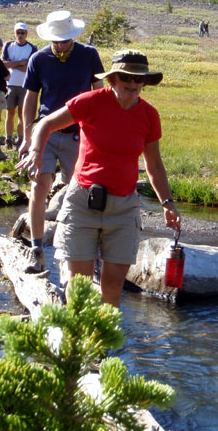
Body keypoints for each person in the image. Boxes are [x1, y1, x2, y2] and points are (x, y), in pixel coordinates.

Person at [16, 50, 181, 307]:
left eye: (140, 78)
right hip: (83, 203)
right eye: (127, 76)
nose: (134, 83)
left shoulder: (149, 116)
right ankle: (75, 342)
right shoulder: (91, 101)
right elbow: (45, 123)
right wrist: (36, 151)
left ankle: (104, 346)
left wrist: (167, 204)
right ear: (112, 79)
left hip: (124, 208)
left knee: (113, 290)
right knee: (78, 286)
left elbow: (154, 164)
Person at [19, 10, 104, 269]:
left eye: (65, 40)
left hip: (78, 135)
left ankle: (88, 253)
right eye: (57, 41)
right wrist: (26, 137)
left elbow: (99, 94)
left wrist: (99, 133)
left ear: (73, 36)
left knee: (83, 191)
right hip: (46, 133)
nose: (61, 45)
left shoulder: (89, 56)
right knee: (39, 186)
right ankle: (36, 248)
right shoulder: (38, 59)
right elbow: (31, 98)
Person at [2, 23, 37, 150]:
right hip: (10, 84)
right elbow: (3, 64)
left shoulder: (32, 48)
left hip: (25, 86)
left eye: (22, 33)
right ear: (15, 33)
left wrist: (12, 64)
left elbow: (30, 68)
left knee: (22, 114)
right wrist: (20, 63)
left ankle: (21, 139)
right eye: (18, 33)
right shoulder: (8, 45)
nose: (20, 35)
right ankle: (8, 138)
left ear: (26, 34)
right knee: (9, 113)